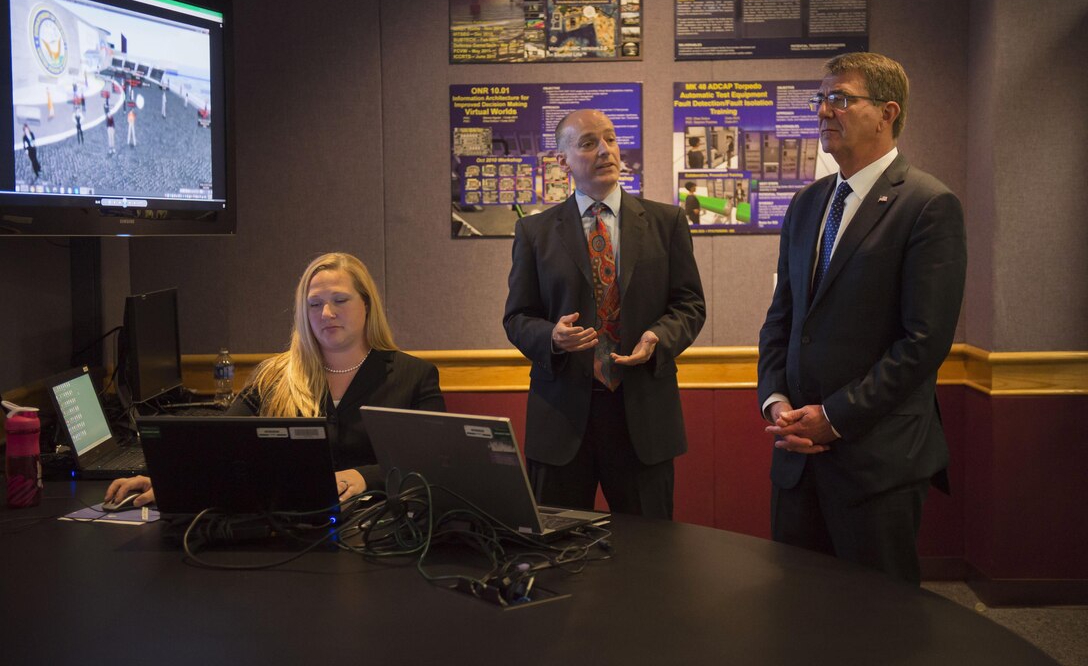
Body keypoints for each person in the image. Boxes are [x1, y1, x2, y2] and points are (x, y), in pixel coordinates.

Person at [756, 52, 967, 583]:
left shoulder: (927, 204)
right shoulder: (807, 205)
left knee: (877, 629)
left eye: (841, 98)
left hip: (877, 462)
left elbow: (924, 342)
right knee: (798, 617)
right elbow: (782, 318)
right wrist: (776, 399)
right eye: (821, 99)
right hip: (797, 457)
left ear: (887, 112)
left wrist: (834, 417)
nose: (825, 110)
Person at [105, 252, 445, 508]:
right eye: (315, 304)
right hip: (285, 530)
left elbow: (435, 464)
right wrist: (168, 481)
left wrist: (365, 477)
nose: (327, 314)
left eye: (340, 300)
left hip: (378, 528)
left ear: (367, 305)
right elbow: (221, 445)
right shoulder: (274, 375)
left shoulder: (414, 376)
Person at [504, 109, 705, 519]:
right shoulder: (535, 232)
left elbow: (690, 304)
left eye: (610, 139)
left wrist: (659, 338)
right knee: (556, 558)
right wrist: (552, 337)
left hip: (642, 416)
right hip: (561, 416)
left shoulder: (666, 222)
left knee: (650, 557)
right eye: (589, 143)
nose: (605, 151)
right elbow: (518, 318)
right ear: (562, 161)